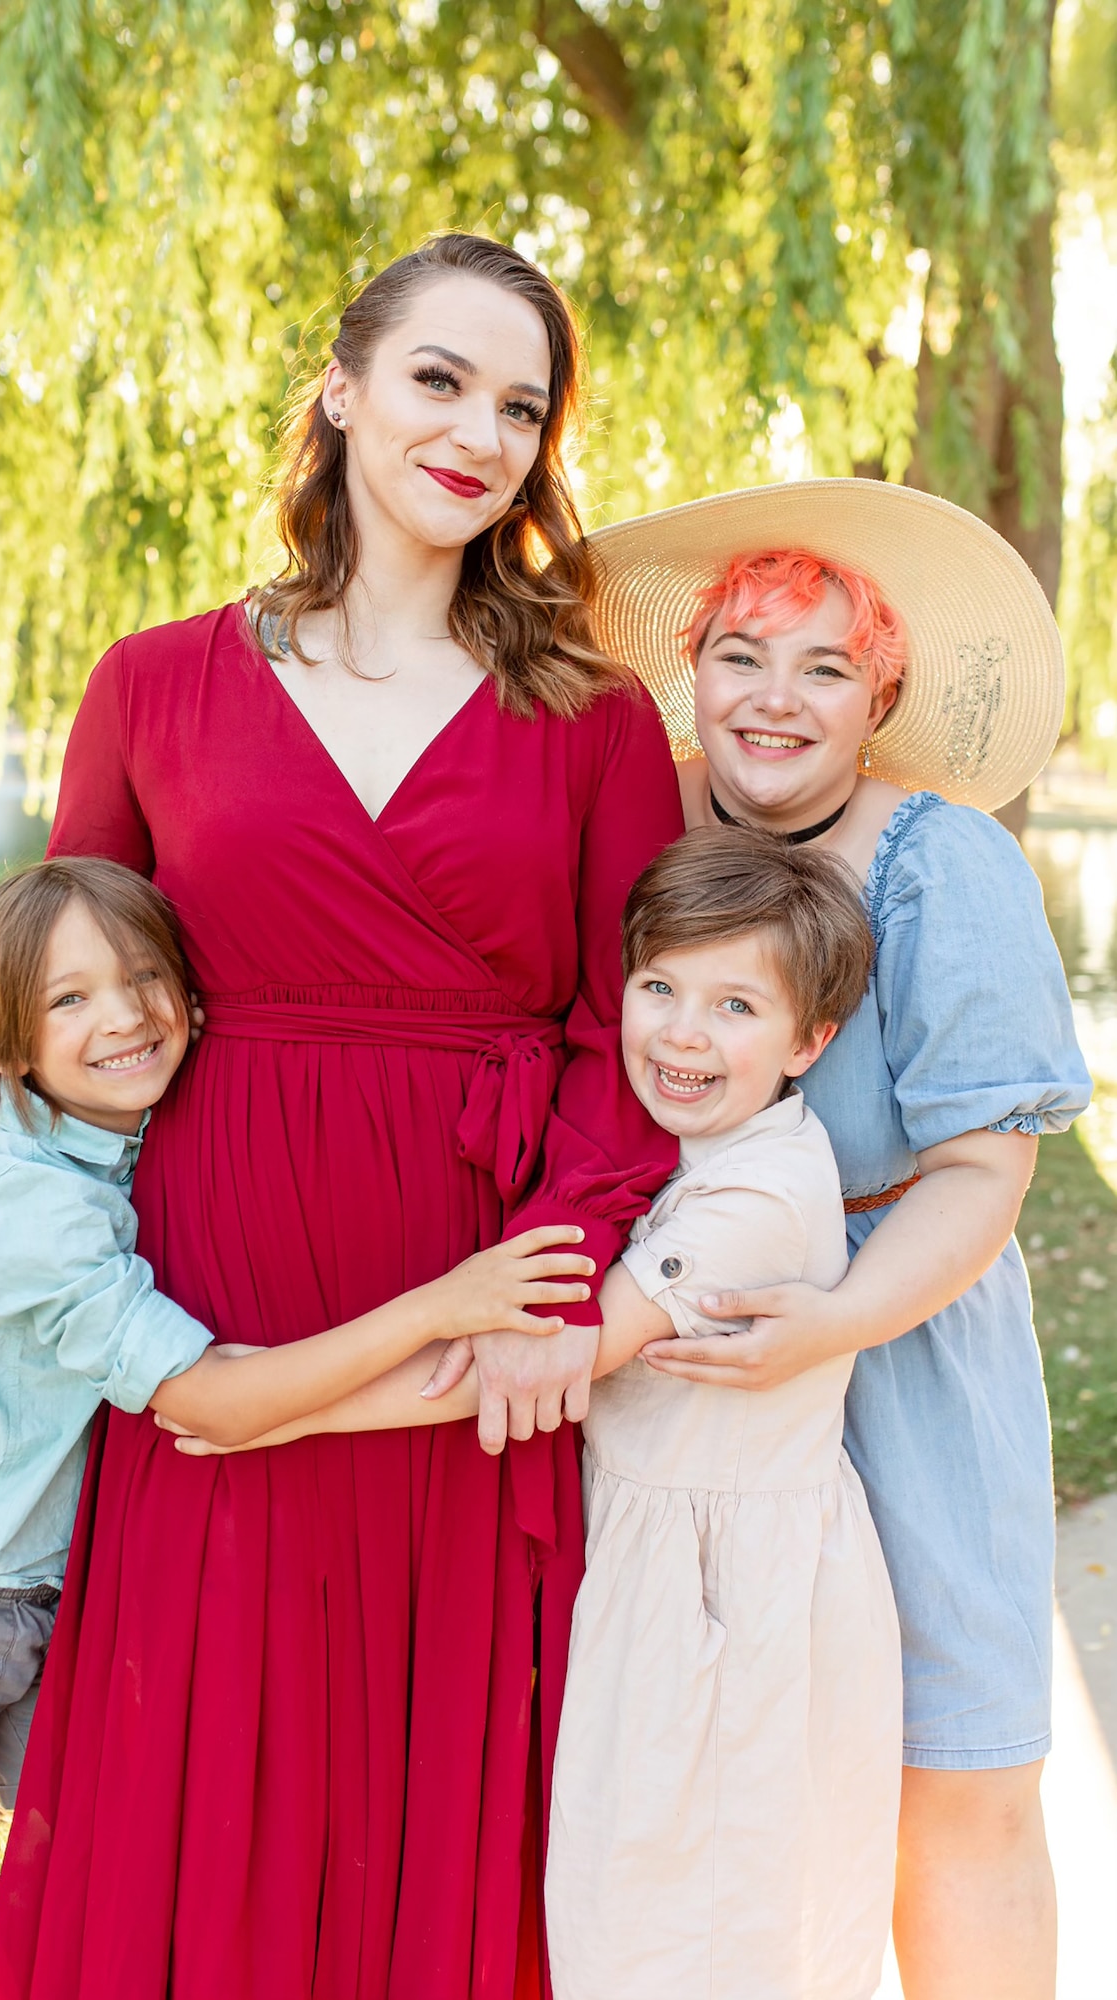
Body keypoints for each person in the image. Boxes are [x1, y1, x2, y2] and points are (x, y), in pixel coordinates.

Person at [0, 233, 683, 1998]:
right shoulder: (154, 681)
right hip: (209, 1290)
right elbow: (35, 990)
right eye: (437, 379)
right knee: (198, 1749)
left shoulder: (596, 720)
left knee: (437, 1763)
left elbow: (623, 1040)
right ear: (344, 391)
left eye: (519, 407)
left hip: (470, 1300)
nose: (476, 432)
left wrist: (568, 1276)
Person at [0, 856, 589, 2000]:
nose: (121, 1015)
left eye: (143, 978)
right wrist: (442, 1304)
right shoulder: (23, 1207)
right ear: (10, 1046)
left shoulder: (123, 1135)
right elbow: (209, 1393)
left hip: (61, 1591)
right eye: (68, 998)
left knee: (89, 1869)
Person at [169, 826, 903, 2000]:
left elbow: (517, 1372)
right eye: (658, 987)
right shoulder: (698, 1143)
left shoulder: (755, 1200)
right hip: (667, 1553)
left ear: (808, 1040)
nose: (679, 1032)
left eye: (733, 1006)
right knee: (634, 1899)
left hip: (718, 1593)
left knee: (688, 1918)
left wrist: (280, 1405)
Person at [581, 481, 1092, 2000]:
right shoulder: (634, 826)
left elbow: (976, 1176)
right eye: (740, 653)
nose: (773, 698)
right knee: (721, 1789)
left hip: (897, 1360)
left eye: (821, 666)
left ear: (882, 690)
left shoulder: (944, 865)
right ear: (693, 669)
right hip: (676, 1366)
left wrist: (833, 1320)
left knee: (950, 1778)